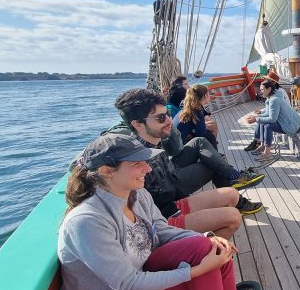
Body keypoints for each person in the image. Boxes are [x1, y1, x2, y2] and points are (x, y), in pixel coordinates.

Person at [59, 134, 241, 290]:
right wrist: (196, 271)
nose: (148, 168)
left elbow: (161, 230)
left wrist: (206, 237)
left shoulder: (137, 194)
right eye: (137, 163)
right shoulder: (87, 221)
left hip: (143, 271)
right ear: (106, 171)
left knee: (216, 251)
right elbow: (126, 285)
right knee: (208, 261)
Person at [109, 89, 264, 228]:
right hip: (170, 192)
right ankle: (236, 189)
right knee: (213, 163)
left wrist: (169, 127)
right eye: (161, 117)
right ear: (137, 124)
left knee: (201, 144)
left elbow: (176, 149)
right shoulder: (138, 157)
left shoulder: (155, 136)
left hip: (170, 169)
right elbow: (163, 195)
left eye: (168, 114)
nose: (169, 120)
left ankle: (233, 178)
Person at [244, 80, 300, 161]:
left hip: (292, 125)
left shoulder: (274, 100)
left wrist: (256, 119)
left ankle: (267, 153)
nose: (260, 92)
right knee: (262, 121)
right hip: (290, 122)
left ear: (269, 89)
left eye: (262, 89)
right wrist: (256, 117)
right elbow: (268, 114)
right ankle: (262, 146)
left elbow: (272, 119)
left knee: (267, 126)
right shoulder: (273, 96)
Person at [176, 85, 219, 150]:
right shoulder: (197, 110)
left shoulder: (192, 106)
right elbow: (201, 134)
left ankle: (213, 152)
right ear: (205, 95)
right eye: (208, 94)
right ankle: (214, 155)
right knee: (210, 135)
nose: (209, 96)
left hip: (181, 139)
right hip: (183, 145)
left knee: (212, 127)